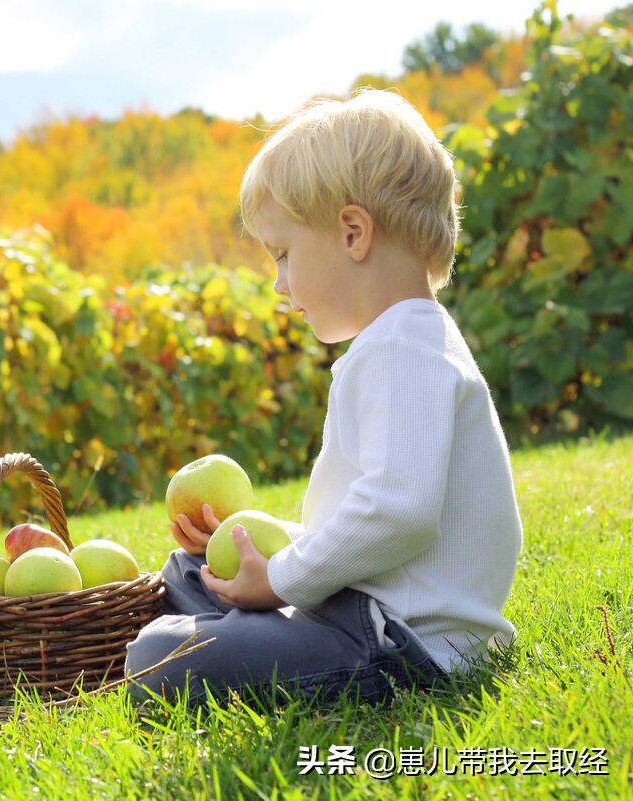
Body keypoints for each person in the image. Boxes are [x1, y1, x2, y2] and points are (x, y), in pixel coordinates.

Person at [125, 89, 523, 704]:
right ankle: (236, 627)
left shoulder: (403, 351)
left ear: (353, 234)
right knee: (189, 570)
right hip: (364, 612)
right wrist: (260, 548)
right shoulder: (401, 341)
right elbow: (369, 523)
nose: (280, 284)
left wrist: (280, 578)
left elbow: (401, 511)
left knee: (157, 658)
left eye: (283, 254)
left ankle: (226, 635)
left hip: (401, 647)